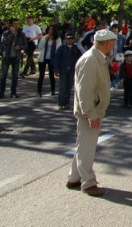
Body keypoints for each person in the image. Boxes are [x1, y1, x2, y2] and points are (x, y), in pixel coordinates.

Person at [67, 29, 117, 196]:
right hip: (89, 112)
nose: (114, 45)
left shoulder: (97, 58)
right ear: (107, 43)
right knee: (87, 148)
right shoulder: (90, 60)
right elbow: (85, 92)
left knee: (84, 146)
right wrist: (92, 115)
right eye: (113, 42)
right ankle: (88, 183)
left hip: (92, 110)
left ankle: (74, 177)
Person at [0, 18, 27, 98]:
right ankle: (1, 93)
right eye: (15, 24)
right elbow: (3, 43)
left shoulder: (21, 34)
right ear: (11, 25)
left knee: (15, 76)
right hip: (6, 57)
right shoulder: (5, 33)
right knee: (3, 75)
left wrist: (20, 47)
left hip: (16, 57)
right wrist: (11, 34)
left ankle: (13, 93)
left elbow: (25, 45)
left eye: (17, 23)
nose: (16, 25)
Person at [54, 33, 81, 110]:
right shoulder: (61, 48)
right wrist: (56, 69)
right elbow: (57, 59)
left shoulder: (76, 48)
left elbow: (80, 58)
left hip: (72, 70)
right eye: (68, 39)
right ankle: (60, 103)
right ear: (65, 40)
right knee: (63, 86)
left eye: (71, 39)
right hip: (63, 70)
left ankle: (67, 102)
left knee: (69, 87)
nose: (70, 40)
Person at [36, 25, 62, 97]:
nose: (50, 31)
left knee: (51, 75)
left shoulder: (57, 39)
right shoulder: (44, 38)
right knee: (41, 75)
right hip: (43, 58)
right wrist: (44, 39)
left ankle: (52, 90)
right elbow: (40, 47)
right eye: (49, 29)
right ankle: (39, 91)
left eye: (52, 29)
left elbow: (58, 49)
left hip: (52, 58)